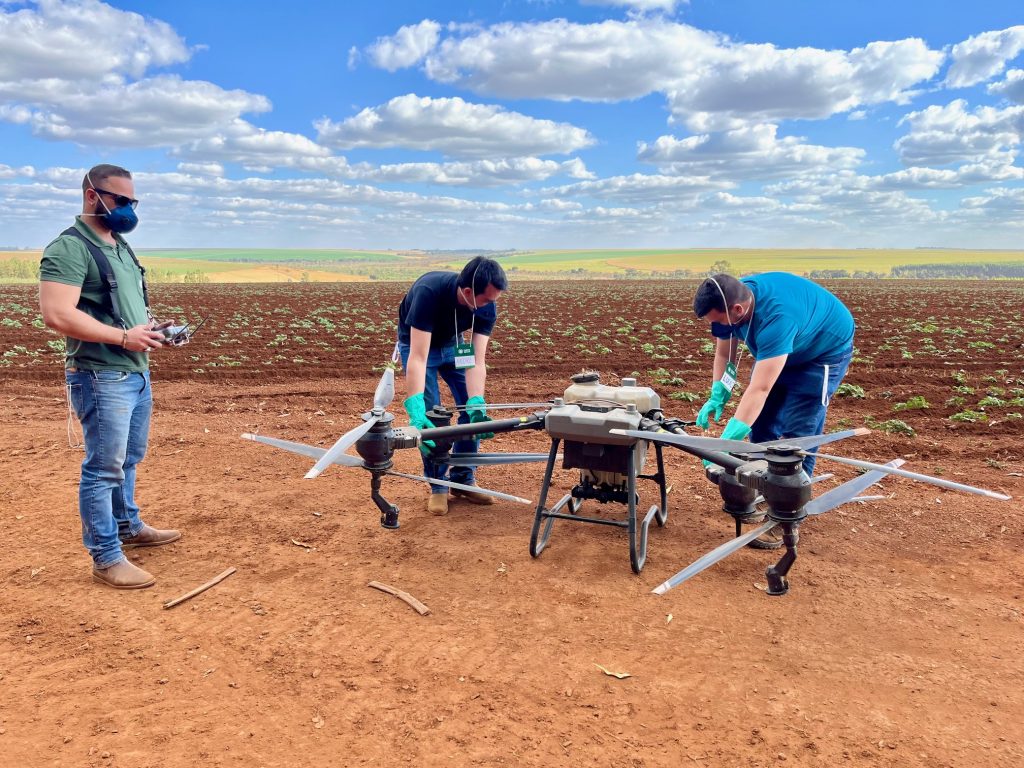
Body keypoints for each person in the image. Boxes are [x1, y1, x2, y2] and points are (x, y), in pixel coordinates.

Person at [39, 164, 180, 589]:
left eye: (133, 202)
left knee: (128, 459)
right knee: (103, 469)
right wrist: (122, 337)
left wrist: (151, 330)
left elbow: (119, 307)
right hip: (101, 377)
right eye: (120, 200)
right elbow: (56, 314)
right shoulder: (69, 248)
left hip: (134, 373)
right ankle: (105, 557)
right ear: (92, 196)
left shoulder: (119, 245)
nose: (129, 209)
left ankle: (127, 526)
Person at [693, 272, 855, 547]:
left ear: (738, 310)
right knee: (763, 425)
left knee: (797, 438)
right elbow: (724, 353)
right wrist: (717, 393)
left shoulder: (777, 319)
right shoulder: (729, 299)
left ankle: (788, 516)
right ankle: (768, 490)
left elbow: (759, 389)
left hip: (820, 353)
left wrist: (727, 441)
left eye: (719, 321)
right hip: (781, 348)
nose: (717, 327)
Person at [398, 256, 507, 516]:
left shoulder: (488, 305)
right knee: (432, 418)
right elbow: (418, 357)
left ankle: (463, 479)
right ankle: (438, 486)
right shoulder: (428, 292)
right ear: (468, 292)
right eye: (486, 300)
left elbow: (477, 360)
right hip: (418, 347)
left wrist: (476, 400)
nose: (491, 305)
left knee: (472, 414)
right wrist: (415, 407)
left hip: (455, 345)